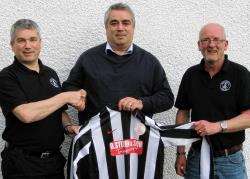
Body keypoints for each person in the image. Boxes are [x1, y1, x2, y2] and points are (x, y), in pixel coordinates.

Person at [0, 19, 86, 179]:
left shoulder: (50, 74)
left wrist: (68, 126)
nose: (28, 46)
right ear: (12, 45)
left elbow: (58, 111)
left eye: (33, 39)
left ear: (40, 43)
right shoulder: (7, 77)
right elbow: (25, 114)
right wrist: (66, 96)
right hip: (22, 164)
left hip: (53, 162)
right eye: (21, 40)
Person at [62, 3, 174, 124]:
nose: (120, 28)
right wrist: (78, 97)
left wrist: (141, 103)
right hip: (96, 136)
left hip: (138, 139)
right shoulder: (88, 59)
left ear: (133, 27)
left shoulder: (149, 62)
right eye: (114, 23)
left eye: (126, 23)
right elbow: (68, 88)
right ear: (106, 27)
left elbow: (167, 98)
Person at [174, 23, 250, 179]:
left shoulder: (241, 74)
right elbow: (182, 113)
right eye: (206, 40)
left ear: (225, 44)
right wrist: (180, 152)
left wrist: (218, 126)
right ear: (199, 45)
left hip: (230, 162)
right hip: (196, 159)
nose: (211, 45)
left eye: (217, 39)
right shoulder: (191, 75)